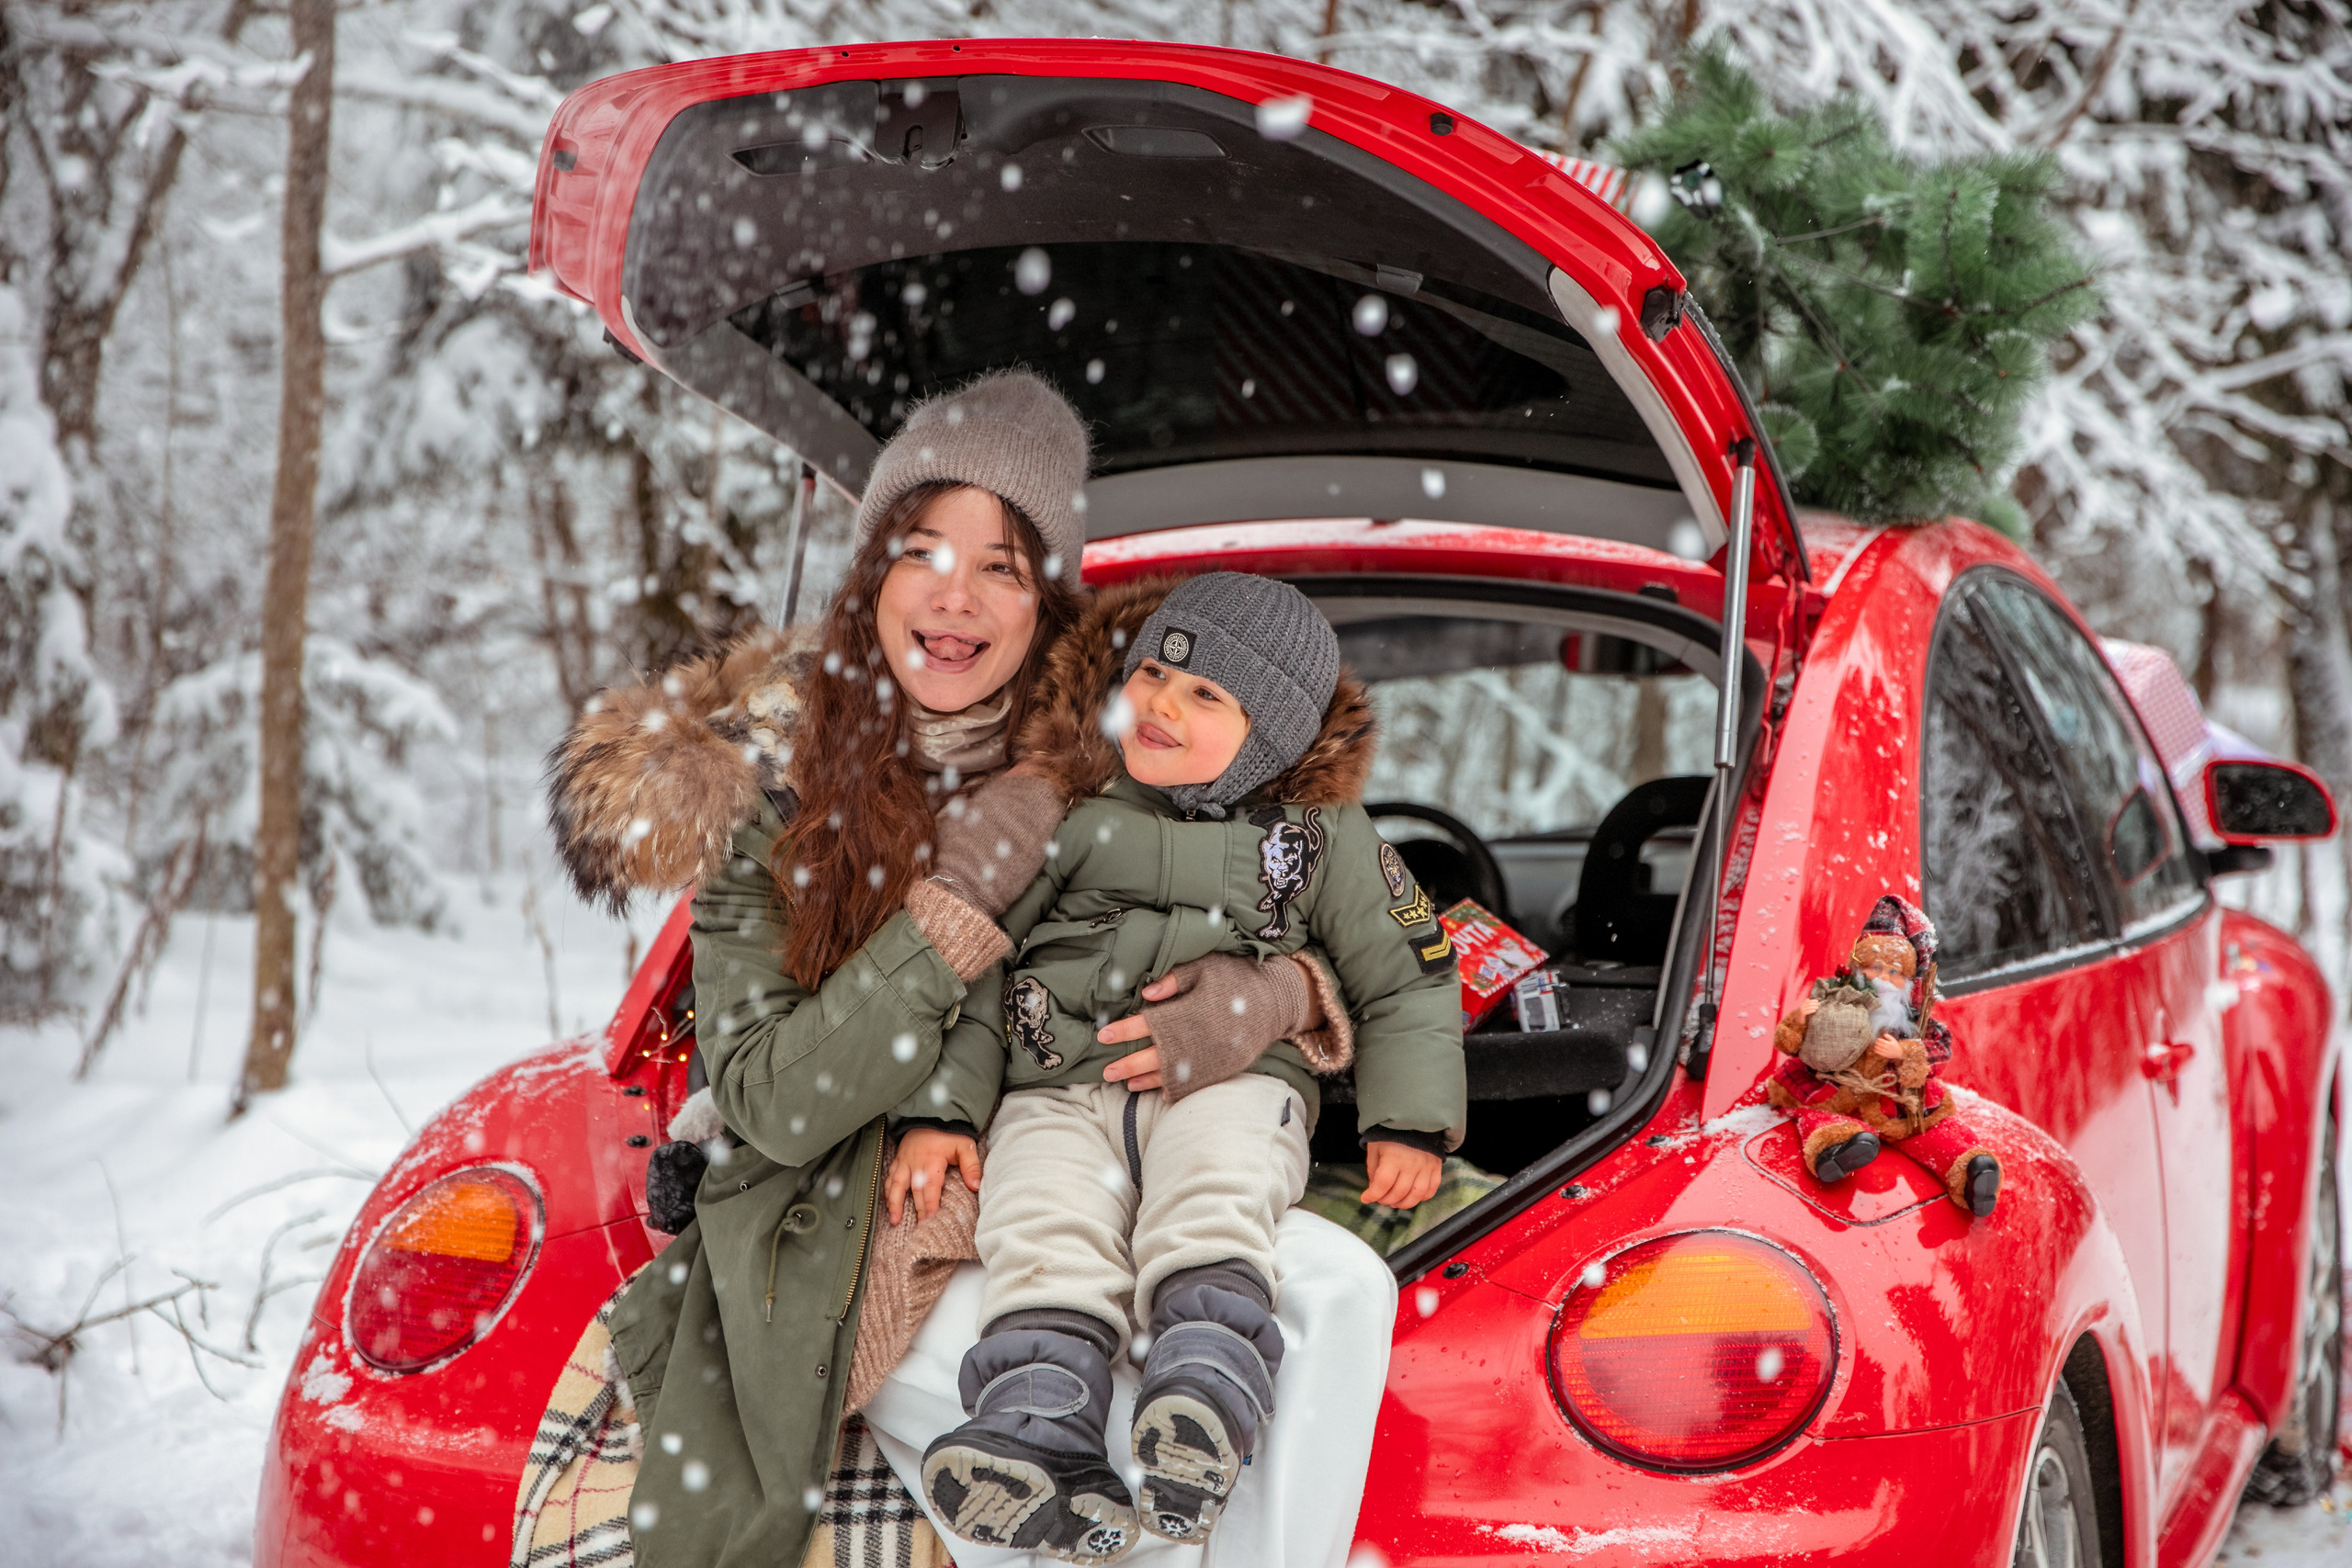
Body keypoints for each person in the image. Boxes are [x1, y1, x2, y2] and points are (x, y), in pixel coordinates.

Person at [524, 370, 1399, 1568]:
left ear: (1047, 601)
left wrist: (1283, 997)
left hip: (1112, 1170)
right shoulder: (769, 797)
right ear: (870, 568)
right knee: (1087, 1461)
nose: (957, 594)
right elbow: (772, 1098)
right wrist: (955, 909)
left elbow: (1304, 901)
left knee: (1331, 1295)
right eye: (924, 547)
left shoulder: (1130, 748)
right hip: (852, 1218)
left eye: (1003, 563)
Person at [902, 572, 1466, 1562]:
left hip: (1231, 1086)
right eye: (1155, 672)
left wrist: (1407, 1120)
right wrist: (944, 1109)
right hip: (1056, 1087)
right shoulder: (1059, 813)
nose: (1160, 702)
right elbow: (975, 969)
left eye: (1206, 695)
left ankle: (1204, 1386)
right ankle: (1040, 1423)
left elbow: (1409, 973)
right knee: (1038, 1222)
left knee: (1215, 1195)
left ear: (1277, 735)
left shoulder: (1321, 837)